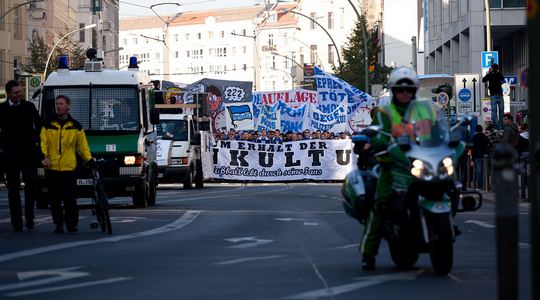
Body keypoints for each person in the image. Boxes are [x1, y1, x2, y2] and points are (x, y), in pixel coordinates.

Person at [360, 67, 420, 271]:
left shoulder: (421, 111)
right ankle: (368, 253)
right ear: (394, 90)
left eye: (409, 89)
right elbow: (378, 136)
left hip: (419, 166)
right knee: (380, 206)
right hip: (392, 167)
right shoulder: (385, 113)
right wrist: (380, 144)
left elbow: (432, 134)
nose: (405, 92)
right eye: (400, 89)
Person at [41, 95, 94, 234]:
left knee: (70, 198)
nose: (58, 106)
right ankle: (59, 224)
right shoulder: (48, 124)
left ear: (68, 106)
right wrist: (44, 157)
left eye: (61, 104)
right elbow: (43, 143)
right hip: (52, 168)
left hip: (69, 168)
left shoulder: (76, 126)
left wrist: (89, 160)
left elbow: (83, 147)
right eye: (57, 104)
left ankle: (71, 224)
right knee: (55, 200)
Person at [0, 80, 43, 232]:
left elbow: (39, 127)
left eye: (20, 92)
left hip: (28, 154)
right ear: (8, 94)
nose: (19, 95)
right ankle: (16, 222)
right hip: (10, 156)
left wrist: (36, 142)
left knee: (30, 186)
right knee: (13, 190)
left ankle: (30, 218)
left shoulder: (28, 107)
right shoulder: (2, 109)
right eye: (16, 92)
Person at [482, 63, 505, 130]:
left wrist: (489, 73)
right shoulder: (499, 74)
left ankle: (496, 127)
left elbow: (483, 80)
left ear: (492, 68)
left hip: (493, 96)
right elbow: (503, 81)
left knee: (494, 112)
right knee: (501, 112)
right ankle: (502, 127)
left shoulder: (489, 75)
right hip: (500, 95)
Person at [471, 125, 492, 190]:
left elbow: (472, 148)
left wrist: (472, 158)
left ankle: (480, 186)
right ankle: (487, 185)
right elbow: (489, 144)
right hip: (485, 155)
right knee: (486, 170)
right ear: (482, 129)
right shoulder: (484, 136)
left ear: (476, 130)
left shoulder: (474, 137)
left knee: (479, 171)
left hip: (477, 156)